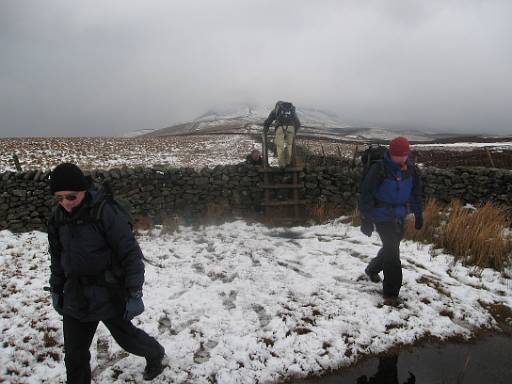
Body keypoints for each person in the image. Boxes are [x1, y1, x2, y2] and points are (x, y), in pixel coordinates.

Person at [47, 163, 166, 383]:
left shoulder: (105, 211)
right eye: (59, 198)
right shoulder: (57, 218)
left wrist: (134, 294)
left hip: (108, 291)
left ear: (83, 190)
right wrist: (56, 288)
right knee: (75, 356)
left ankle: (155, 353)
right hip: (76, 294)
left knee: (127, 340)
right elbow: (57, 258)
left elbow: (130, 254)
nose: (65, 204)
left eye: (71, 197)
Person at [359, 137, 423, 307]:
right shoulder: (379, 169)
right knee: (393, 253)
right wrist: (366, 219)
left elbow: (415, 194)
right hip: (381, 215)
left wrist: (419, 214)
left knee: (390, 247)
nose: (401, 159)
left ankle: (372, 269)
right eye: (397, 155)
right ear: (391, 153)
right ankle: (391, 294)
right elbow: (366, 194)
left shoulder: (411, 170)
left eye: (403, 155)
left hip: (400, 215)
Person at [263, 101, 301, 167]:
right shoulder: (291, 110)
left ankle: (282, 165)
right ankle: (288, 162)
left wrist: (265, 129)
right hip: (291, 128)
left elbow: (268, 120)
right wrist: (295, 131)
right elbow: (298, 122)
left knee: (280, 146)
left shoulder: (275, 110)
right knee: (289, 145)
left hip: (280, 128)